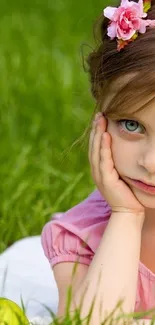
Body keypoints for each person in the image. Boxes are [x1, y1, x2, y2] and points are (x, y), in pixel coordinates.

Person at [41, 0, 155, 324]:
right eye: (131, 125)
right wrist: (126, 216)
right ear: (100, 120)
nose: (150, 162)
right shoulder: (79, 239)